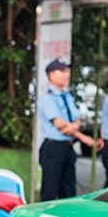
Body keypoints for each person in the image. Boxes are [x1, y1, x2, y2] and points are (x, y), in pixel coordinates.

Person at [36, 59, 92, 201]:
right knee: (50, 188)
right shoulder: (47, 97)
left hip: (67, 147)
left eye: (67, 71)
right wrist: (82, 137)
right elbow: (60, 125)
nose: (66, 75)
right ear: (51, 74)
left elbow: (77, 120)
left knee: (68, 188)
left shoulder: (67, 96)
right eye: (62, 71)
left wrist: (72, 127)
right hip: (53, 147)